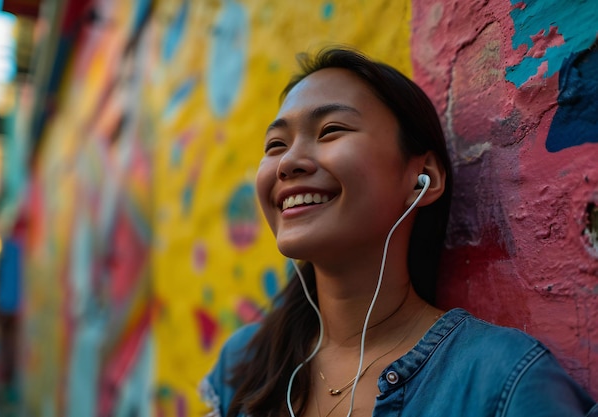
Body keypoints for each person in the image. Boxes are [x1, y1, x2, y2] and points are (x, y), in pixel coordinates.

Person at [200, 47, 598, 417]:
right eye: (275, 145)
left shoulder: (504, 383)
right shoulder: (241, 366)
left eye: (331, 130)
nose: (287, 163)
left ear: (422, 178)